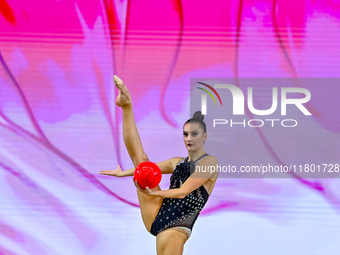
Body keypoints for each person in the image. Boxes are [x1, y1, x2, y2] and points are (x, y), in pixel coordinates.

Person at [100, 76, 218, 255]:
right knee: (142, 161)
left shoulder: (210, 163)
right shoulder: (178, 162)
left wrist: (153, 193)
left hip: (177, 226)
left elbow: (183, 191)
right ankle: (126, 105)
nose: (189, 138)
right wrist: (122, 173)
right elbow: (145, 167)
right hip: (157, 212)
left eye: (194, 134)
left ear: (205, 136)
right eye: (185, 134)